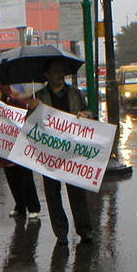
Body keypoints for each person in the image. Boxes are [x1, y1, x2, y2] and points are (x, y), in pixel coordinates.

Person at [27, 59, 95, 246]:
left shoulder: (75, 93)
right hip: (49, 152)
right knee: (52, 192)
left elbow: (89, 112)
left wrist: (86, 115)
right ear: (47, 75)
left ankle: (84, 230)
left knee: (77, 191)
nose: (60, 73)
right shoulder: (39, 96)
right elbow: (29, 125)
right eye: (55, 71)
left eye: (62, 70)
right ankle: (61, 232)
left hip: (72, 150)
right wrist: (31, 109)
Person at [0, 83, 41, 220]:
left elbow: (25, 114)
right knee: (12, 179)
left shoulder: (14, 102)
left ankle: (33, 207)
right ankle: (20, 206)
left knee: (25, 177)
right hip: (4, 149)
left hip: (19, 146)